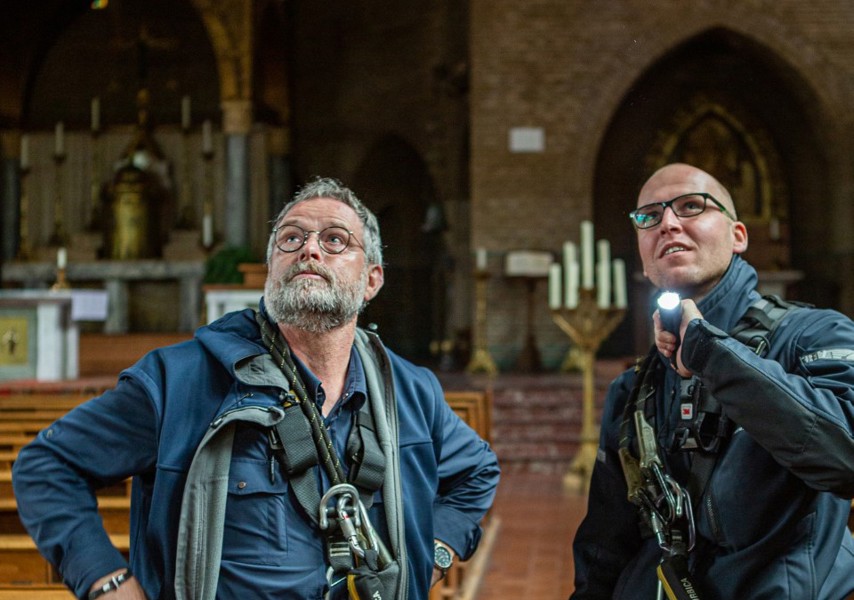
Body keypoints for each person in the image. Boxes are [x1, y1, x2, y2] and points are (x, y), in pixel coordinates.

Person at [13, 177, 500, 600]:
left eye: (335, 240)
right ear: (271, 270)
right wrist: (106, 581)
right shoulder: (177, 382)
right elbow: (47, 465)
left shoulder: (409, 391)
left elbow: (477, 472)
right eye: (291, 239)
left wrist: (433, 552)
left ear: (371, 280)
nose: (309, 249)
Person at [571, 163, 854, 599]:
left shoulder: (814, 335)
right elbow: (605, 546)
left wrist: (711, 353)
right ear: (644, 253)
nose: (667, 223)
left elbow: (846, 456)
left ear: (738, 235)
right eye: (649, 216)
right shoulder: (632, 389)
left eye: (691, 206)